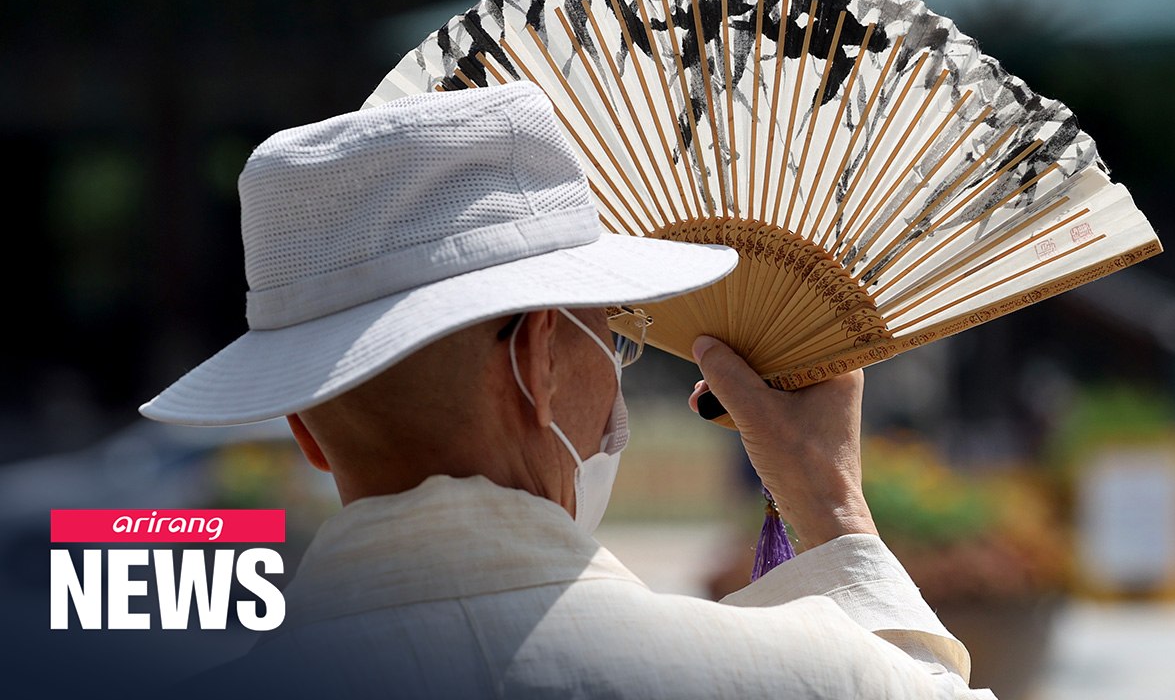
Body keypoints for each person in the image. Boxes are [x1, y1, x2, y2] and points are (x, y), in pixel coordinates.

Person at [142, 81, 996, 698]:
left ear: (306, 429)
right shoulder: (811, 677)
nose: (618, 386)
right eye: (613, 335)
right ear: (538, 359)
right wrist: (828, 496)